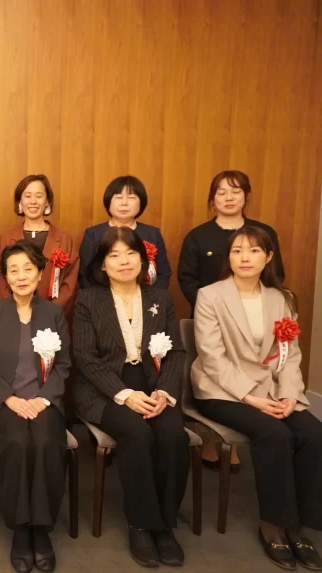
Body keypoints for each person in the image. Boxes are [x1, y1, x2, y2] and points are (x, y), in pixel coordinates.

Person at [191, 226, 322, 571]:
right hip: (222, 390)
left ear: (268, 257)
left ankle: (298, 524)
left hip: (273, 389)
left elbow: (290, 356)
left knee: (313, 433)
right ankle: (273, 524)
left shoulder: (282, 299)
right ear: (228, 257)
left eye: (253, 251)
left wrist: (290, 395)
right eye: (237, 251)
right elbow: (212, 358)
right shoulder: (210, 296)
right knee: (274, 433)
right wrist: (251, 397)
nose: (244, 258)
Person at [73, 227, 188, 568]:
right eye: (114, 255)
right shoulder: (88, 300)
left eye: (130, 254)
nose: (124, 261)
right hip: (104, 389)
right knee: (137, 433)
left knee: (173, 435)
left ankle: (165, 524)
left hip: (154, 385)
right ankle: (141, 523)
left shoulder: (161, 298)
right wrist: (125, 394)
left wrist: (164, 392)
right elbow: (86, 358)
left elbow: (176, 353)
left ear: (143, 259)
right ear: (102, 264)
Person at [178, 170, 285, 472]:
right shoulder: (198, 236)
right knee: (216, 370)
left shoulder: (263, 232)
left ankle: (234, 444)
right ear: (212, 199)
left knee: (250, 368)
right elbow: (187, 278)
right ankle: (211, 440)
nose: (228, 197)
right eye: (221, 192)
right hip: (212, 319)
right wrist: (212, 309)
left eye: (235, 191)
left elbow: (276, 276)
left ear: (246, 196)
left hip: (256, 318)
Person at [0, 240, 71, 573]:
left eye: (28, 269)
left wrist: (44, 399)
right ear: (5, 276)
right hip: (4, 401)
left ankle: (41, 529)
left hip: (44, 400)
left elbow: (64, 365)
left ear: (40, 273)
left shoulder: (53, 312)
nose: (21, 276)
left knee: (45, 442)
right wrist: (10, 399)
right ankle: (20, 527)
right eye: (13, 270)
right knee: (17, 442)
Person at [0, 175, 79, 315]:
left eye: (39, 196)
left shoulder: (64, 239)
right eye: (27, 196)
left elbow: (70, 281)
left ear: (47, 201)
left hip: (53, 317)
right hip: (13, 315)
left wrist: (51, 312)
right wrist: (14, 310)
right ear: (20, 201)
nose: (33, 201)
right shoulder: (6, 238)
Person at [78, 175, 170, 290]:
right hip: (100, 297)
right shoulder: (93, 234)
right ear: (108, 202)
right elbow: (85, 275)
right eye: (118, 197)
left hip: (146, 297)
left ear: (141, 203)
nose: (124, 203)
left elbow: (163, 274)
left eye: (131, 197)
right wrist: (102, 299)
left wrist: (147, 298)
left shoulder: (152, 233)